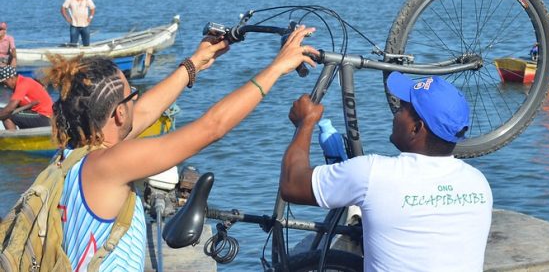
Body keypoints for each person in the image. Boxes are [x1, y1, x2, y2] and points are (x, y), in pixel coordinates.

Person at [42, 26, 318, 271]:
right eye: (131, 96)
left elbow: (146, 110)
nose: (136, 102)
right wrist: (276, 68)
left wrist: (193, 64)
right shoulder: (110, 164)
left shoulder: (74, 153)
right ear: (118, 115)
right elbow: (212, 127)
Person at [280, 72, 493, 271]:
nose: (394, 114)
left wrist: (305, 123)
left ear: (416, 128)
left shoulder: (373, 173)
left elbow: (292, 184)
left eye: (401, 109)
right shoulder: (478, 182)